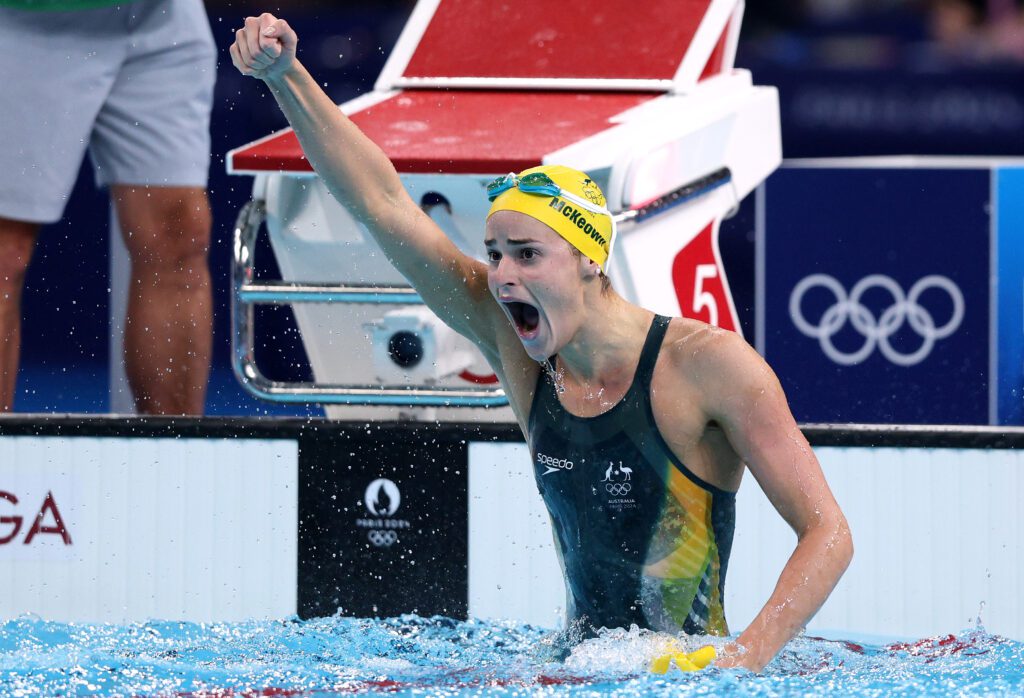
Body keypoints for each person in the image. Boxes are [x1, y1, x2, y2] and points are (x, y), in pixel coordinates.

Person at [229, 13, 853, 672]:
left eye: (527, 255)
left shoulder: (707, 364)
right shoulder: (525, 359)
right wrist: (286, 77)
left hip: (689, 677)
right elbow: (384, 203)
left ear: (589, 259)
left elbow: (828, 534)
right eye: (495, 254)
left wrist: (744, 659)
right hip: (575, 667)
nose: (502, 277)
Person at [0, 0, 216, 415]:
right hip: (23, 22)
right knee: (5, 251)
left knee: (179, 235)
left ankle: (177, 463)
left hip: (163, 17)